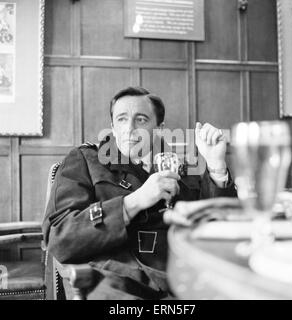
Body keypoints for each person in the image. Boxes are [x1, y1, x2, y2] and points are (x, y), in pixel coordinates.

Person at [43, 86, 237, 300]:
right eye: (122, 119)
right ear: (113, 127)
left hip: (185, 281)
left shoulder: (181, 165)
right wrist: (133, 202)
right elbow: (60, 236)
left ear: (159, 128)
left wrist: (216, 165)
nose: (129, 128)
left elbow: (218, 228)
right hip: (117, 283)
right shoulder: (85, 161)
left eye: (141, 119)